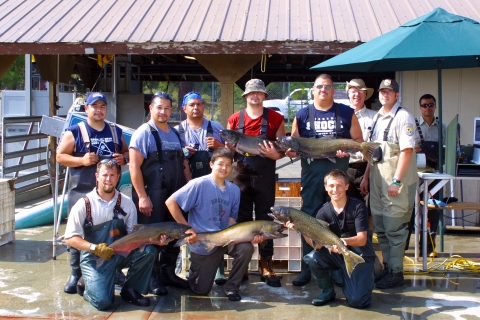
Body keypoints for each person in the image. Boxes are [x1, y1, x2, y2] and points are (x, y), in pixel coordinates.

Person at [285, 74, 363, 287]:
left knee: (338, 219)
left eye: (328, 87)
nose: (323, 90)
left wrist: (345, 149)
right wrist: (290, 151)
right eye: (320, 86)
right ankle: (307, 267)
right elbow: (293, 145)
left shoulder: (346, 113)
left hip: (337, 175)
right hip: (311, 177)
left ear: (333, 90)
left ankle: (337, 267)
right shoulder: (302, 115)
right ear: (313, 89)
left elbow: (358, 140)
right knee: (307, 220)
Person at [64, 160, 167, 310]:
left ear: (118, 177)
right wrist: (95, 248)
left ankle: (130, 290)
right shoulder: (83, 204)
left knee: (149, 252)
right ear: (97, 176)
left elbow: (134, 235)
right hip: (94, 257)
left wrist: (154, 240)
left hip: (120, 252)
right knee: (103, 302)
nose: (108, 179)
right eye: (105, 175)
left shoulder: (127, 203)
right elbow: (70, 238)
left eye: (112, 175)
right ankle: (85, 285)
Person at [166, 148, 261, 301]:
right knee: (201, 290)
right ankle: (196, 272)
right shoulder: (198, 184)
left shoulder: (234, 190)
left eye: (229, 165)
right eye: (220, 164)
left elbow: (231, 221)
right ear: (211, 164)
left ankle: (231, 288)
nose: (224, 168)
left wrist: (250, 237)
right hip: (202, 243)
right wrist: (187, 229)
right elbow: (170, 202)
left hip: (225, 239)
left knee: (246, 248)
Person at [57, 92, 129, 294]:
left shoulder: (115, 131)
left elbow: (126, 153)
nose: (99, 110)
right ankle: (76, 272)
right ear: (86, 109)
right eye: (94, 106)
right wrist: (81, 161)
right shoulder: (75, 131)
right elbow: (60, 156)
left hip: (109, 191)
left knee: (114, 227)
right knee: (77, 230)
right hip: (82, 190)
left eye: (102, 106)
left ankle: (115, 270)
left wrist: (123, 158)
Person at [129, 92, 192, 296]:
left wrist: (190, 189)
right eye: (159, 107)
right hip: (152, 195)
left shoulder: (175, 134)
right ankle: (152, 275)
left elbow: (184, 164)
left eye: (167, 108)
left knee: (174, 233)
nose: (163, 111)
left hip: (174, 195)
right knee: (153, 237)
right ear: (151, 108)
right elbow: (134, 167)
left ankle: (168, 272)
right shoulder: (143, 133)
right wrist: (142, 196)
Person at [284, 169, 375, 308]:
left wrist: (341, 243)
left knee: (358, 302)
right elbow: (318, 246)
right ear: (326, 187)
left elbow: (362, 239)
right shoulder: (323, 211)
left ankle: (365, 278)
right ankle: (328, 291)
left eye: (339, 185)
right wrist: (301, 229)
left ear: (346, 186)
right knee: (312, 258)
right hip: (337, 255)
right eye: (331, 186)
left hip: (359, 255)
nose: (335, 189)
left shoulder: (358, 207)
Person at [227, 79, 286, 287]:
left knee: (266, 218)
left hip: (265, 175)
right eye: (251, 93)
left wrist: (275, 154)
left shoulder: (276, 119)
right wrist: (228, 148)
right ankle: (240, 266)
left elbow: (283, 149)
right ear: (245, 96)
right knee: (241, 219)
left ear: (264, 96)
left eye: (259, 93)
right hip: (240, 175)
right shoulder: (234, 119)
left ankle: (266, 264)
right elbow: (229, 152)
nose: (255, 96)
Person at [360, 79, 417, 289]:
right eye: (382, 91)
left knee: (395, 228)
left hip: (394, 183)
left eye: (389, 92)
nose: (385, 95)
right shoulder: (377, 117)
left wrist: (396, 181)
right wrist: (366, 177)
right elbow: (372, 152)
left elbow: (407, 151)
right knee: (381, 228)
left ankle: (396, 271)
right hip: (377, 180)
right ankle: (387, 268)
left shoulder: (403, 117)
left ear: (396, 95)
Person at [175, 91, 227, 284]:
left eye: (199, 104)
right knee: (191, 226)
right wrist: (183, 153)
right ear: (184, 108)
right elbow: (173, 157)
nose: (196, 108)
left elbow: (231, 154)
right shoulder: (177, 131)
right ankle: (194, 266)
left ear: (203, 107)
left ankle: (218, 268)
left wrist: (220, 145)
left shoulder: (216, 127)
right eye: (192, 105)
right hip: (190, 184)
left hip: (215, 184)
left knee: (218, 221)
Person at [407, 94, 446, 257]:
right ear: (420, 107)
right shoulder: (413, 125)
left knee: (434, 209)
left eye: (430, 105)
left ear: (435, 106)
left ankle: (429, 246)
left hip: (435, 174)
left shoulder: (442, 127)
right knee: (411, 209)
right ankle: (405, 245)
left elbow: (448, 148)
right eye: (424, 105)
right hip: (415, 175)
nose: (427, 108)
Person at [345, 79, 377, 206]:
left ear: (365, 94)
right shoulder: (341, 116)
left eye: (360, 91)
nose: (356, 94)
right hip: (345, 167)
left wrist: (366, 176)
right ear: (348, 94)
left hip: (366, 167)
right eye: (353, 91)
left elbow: (374, 150)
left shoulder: (375, 117)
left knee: (367, 209)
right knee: (345, 209)